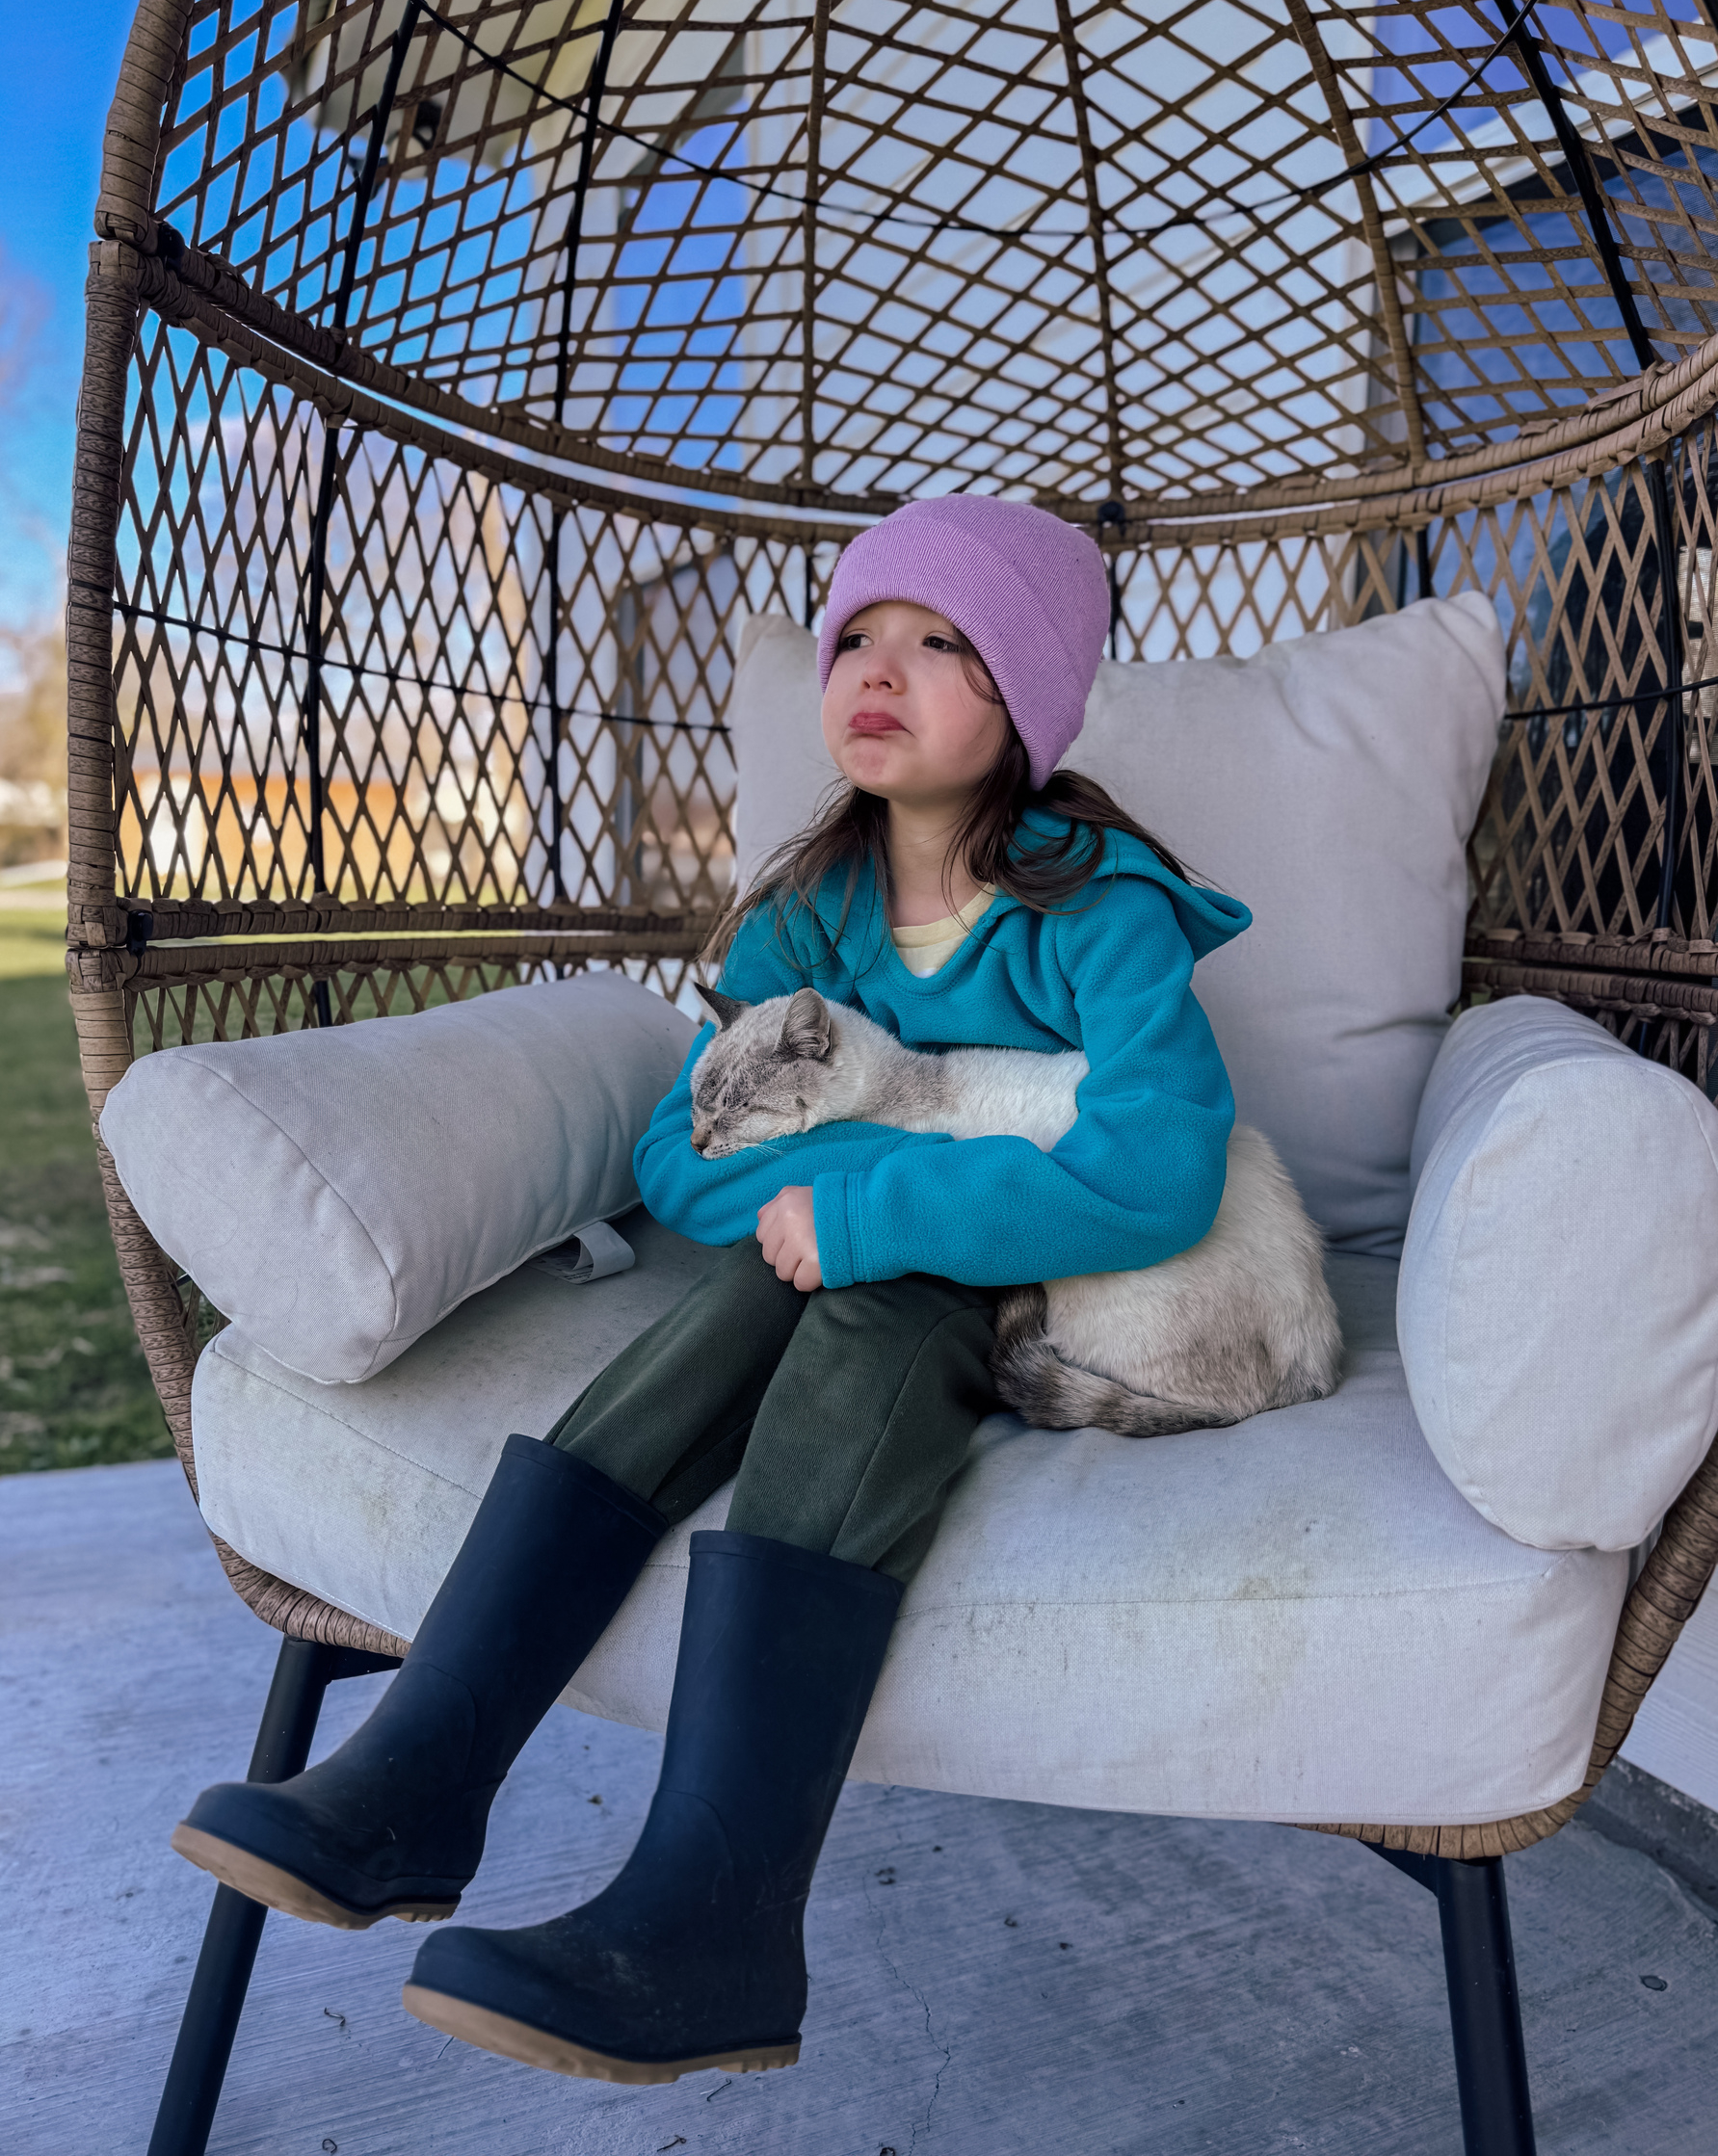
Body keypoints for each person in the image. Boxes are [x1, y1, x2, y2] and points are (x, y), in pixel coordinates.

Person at [172, 494, 1251, 2085]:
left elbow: (1160, 1172)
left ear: (1028, 695)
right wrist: (808, 1203)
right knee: (749, 1298)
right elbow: (684, 1158)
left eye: (945, 644)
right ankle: (418, 1775)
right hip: (844, 1235)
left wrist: (869, 1205)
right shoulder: (809, 905)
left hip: (1046, 1265)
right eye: (858, 636)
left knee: (871, 1301)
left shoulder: (1094, 903)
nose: (880, 669)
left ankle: (718, 1918)